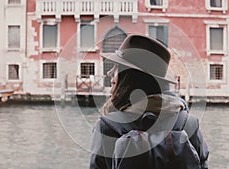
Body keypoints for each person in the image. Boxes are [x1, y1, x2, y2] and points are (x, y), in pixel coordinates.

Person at [89, 34, 209, 169]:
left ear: (130, 78)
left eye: (117, 67)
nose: (110, 73)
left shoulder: (107, 127)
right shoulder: (189, 123)